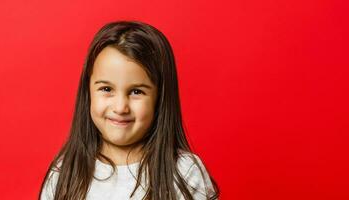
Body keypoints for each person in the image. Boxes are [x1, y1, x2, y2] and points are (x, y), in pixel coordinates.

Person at [39, 20, 220, 200]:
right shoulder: (64, 172)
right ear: (88, 92)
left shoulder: (183, 173)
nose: (120, 108)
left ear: (160, 98)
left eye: (136, 91)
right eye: (106, 89)